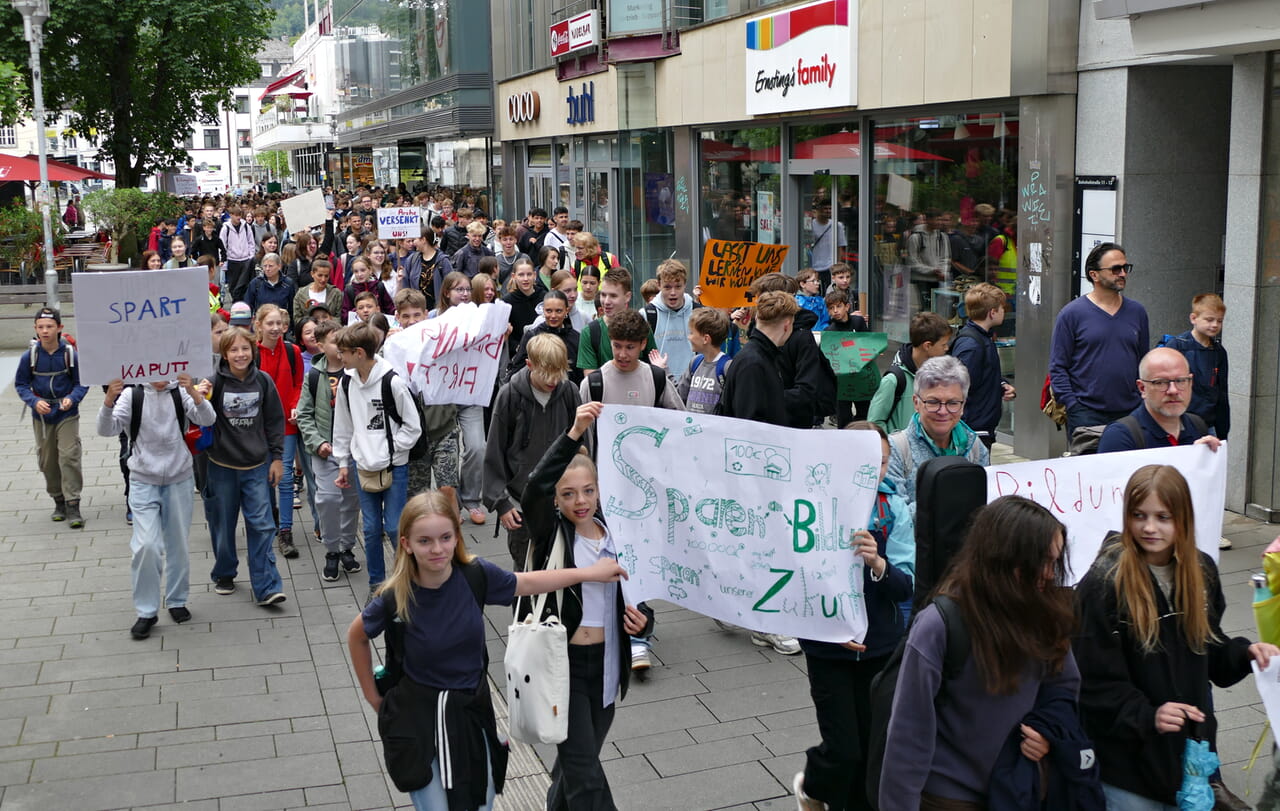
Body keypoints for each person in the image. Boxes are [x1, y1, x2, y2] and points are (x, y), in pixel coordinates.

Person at [346, 490, 628, 811]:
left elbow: (529, 583)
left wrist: (589, 573)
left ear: (456, 537)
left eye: (445, 537)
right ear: (407, 544)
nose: (437, 549)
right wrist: (373, 698)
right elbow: (357, 636)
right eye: (424, 541)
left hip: (471, 718)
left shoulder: (474, 576)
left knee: (481, 804)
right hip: (418, 723)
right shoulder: (396, 595)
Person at [1073, 465, 1278, 810]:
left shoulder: (1200, 570)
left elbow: (1207, 649)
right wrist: (1146, 714)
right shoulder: (1104, 582)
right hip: (1127, 766)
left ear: (1182, 518)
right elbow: (1093, 682)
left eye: (1163, 517)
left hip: (1188, 758)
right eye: (1139, 515)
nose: (1149, 527)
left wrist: (1244, 654)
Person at [878, 496, 1078, 811]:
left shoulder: (1046, 613)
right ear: (1005, 557)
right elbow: (908, 732)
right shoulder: (940, 624)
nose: (1050, 574)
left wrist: (1048, 731)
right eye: (1042, 561)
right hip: (950, 798)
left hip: (1019, 790)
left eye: (1055, 562)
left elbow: (1064, 688)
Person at [522, 402, 655, 809]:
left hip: (607, 666)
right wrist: (574, 434)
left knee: (576, 766)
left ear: (600, 490)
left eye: (588, 491)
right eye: (568, 494)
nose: (580, 501)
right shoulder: (551, 533)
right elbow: (533, 488)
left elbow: (641, 595)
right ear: (556, 500)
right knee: (585, 777)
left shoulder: (618, 532)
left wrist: (641, 622)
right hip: (562, 667)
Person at [794, 421, 913, 811]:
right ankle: (814, 783)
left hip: (880, 647)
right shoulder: (809, 504)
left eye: (880, 463)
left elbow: (907, 583)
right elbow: (794, 577)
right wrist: (828, 624)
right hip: (828, 650)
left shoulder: (892, 507)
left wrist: (878, 562)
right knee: (845, 749)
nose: (872, 472)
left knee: (873, 752)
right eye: (863, 462)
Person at [98, 373, 215, 639]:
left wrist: (195, 394)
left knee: (178, 544)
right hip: (143, 480)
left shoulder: (180, 392)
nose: (160, 378)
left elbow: (208, 419)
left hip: (179, 478)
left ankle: (176, 599)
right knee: (146, 545)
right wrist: (108, 400)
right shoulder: (132, 394)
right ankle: (146, 610)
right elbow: (106, 429)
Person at [332, 321, 422, 592]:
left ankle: (407, 579)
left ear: (359, 353)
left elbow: (412, 425)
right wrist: (344, 462)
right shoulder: (347, 382)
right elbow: (343, 425)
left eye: (344, 352)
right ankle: (377, 585)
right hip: (364, 466)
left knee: (395, 527)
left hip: (394, 467)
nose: (340, 357)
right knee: (371, 529)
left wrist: (393, 453)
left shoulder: (392, 382)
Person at [206, 326, 288, 606]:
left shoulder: (263, 381)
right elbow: (199, 417)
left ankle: (266, 586)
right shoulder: (214, 381)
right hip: (221, 466)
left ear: (253, 350)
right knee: (222, 525)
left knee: (262, 526)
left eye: (245, 349)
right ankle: (225, 572)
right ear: (224, 354)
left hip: (257, 466)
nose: (240, 354)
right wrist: (197, 395)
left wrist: (277, 458)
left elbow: (275, 422)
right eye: (233, 350)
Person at [485, 333, 581, 571]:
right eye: (546, 374)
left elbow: (582, 446)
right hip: (522, 503)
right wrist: (501, 504)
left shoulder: (569, 392)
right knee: (526, 570)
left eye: (558, 373)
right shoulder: (509, 396)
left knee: (567, 569)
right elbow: (494, 451)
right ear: (529, 365)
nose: (553, 381)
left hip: (564, 500)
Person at [1049, 241, 1149, 441]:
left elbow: (1143, 361)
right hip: (1086, 413)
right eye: (1115, 269)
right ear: (1094, 275)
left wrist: (1142, 401)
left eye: (1125, 268)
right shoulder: (1072, 314)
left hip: (1130, 412)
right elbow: (1058, 367)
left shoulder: (1137, 312)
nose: (1122, 273)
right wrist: (1072, 405)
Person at [296, 320, 362, 582]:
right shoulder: (313, 375)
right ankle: (331, 550)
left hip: (354, 450)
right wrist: (317, 443)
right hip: (325, 449)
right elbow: (304, 414)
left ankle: (346, 548)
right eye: (335, 341)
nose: (341, 346)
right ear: (321, 346)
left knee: (350, 501)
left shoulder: (356, 373)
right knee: (328, 499)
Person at [885, 355, 990, 518]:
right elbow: (894, 518)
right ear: (916, 403)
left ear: (963, 405)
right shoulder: (894, 450)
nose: (943, 411)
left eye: (953, 403)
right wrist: (945, 494)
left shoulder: (975, 448)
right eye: (933, 402)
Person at [16, 307, 88, 527]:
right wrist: (34, 401)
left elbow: (82, 382)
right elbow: (21, 385)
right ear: (35, 329)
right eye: (40, 327)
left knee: (69, 456)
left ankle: (73, 504)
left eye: (49, 326)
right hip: (42, 415)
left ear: (59, 328)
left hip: (66, 413)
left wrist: (72, 399)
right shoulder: (30, 356)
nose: (45, 331)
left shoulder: (70, 355)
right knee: (47, 460)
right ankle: (58, 499)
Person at [1096, 347, 1224, 455]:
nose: (1173, 390)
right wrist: (1188, 460)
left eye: (1180, 381)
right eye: (1161, 382)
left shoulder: (1197, 426)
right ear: (1142, 388)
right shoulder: (1120, 437)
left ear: (1191, 382)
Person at [252, 303, 305, 559]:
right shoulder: (251, 353)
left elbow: (298, 385)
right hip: (257, 429)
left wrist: (295, 406)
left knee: (284, 481)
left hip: (286, 425)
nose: (275, 329)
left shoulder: (292, 351)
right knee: (262, 480)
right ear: (259, 325)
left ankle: (285, 531)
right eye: (269, 324)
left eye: (279, 324)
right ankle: (264, 526)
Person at [949, 282, 1015, 449]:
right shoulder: (972, 345)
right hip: (973, 430)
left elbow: (982, 375)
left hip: (980, 428)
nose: (1003, 313)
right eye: (1001, 309)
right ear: (992, 313)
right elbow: (959, 387)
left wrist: (1001, 385)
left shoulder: (983, 338)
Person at [1158, 293, 1230, 441]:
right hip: (1179, 423)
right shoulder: (1177, 345)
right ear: (1193, 318)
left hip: (1208, 424)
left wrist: (1223, 432)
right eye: (1209, 320)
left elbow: (1222, 394)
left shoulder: (1219, 352)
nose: (1215, 325)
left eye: (1219, 321)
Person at [867, 311, 951, 434]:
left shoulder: (939, 375)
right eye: (943, 344)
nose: (947, 348)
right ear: (927, 346)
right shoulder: (893, 380)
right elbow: (874, 423)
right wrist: (894, 448)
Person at [577, 268, 657, 375]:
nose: (606, 302)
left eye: (613, 296)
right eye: (603, 295)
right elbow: (590, 377)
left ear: (627, 297)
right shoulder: (590, 332)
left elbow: (653, 366)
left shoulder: (641, 327)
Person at [507, 289, 580, 384]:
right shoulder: (532, 336)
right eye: (549, 311)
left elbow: (580, 373)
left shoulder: (576, 338)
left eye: (558, 311)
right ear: (543, 310)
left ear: (566, 311)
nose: (553, 316)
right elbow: (516, 370)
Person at [671, 307, 730, 414]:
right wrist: (665, 371)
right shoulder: (695, 362)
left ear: (706, 339)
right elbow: (678, 396)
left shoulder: (727, 367)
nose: (689, 337)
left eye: (692, 333)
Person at [644, 259, 698, 377]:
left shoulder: (698, 313)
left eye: (678, 287)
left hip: (692, 384)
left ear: (685, 284)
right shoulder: (647, 315)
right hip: (658, 383)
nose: (673, 292)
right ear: (659, 285)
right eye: (667, 287)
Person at [245, 252, 297, 329]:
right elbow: (248, 304)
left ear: (279, 266)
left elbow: (291, 308)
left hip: (280, 325)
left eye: (271, 266)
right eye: (265, 266)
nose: (267, 269)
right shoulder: (256, 283)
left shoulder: (288, 284)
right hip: (261, 326)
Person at [293, 258, 342, 332]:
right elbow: (297, 318)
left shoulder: (336, 293)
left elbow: (339, 317)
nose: (323, 279)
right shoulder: (301, 294)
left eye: (326, 276)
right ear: (312, 274)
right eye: (320, 275)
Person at [808, 198, 847, 290]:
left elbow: (840, 246)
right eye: (825, 208)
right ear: (819, 209)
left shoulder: (838, 226)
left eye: (830, 208)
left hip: (830, 266)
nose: (828, 211)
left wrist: (838, 265)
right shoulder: (811, 224)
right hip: (813, 265)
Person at [221, 206, 258, 302]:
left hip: (246, 259)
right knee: (233, 285)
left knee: (245, 284)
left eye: (240, 215)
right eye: (236, 215)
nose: (238, 218)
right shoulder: (226, 228)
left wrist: (250, 256)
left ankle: (245, 302)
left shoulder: (246, 226)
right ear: (231, 215)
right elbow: (222, 246)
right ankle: (236, 302)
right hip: (232, 260)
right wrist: (224, 262)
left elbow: (251, 242)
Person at [342, 256, 395, 321]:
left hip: (378, 324)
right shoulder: (350, 290)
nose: (359, 274)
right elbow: (344, 315)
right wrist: (358, 310)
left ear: (370, 270)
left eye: (363, 270)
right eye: (356, 271)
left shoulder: (379, 286)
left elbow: (390, 308)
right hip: (359, 326)